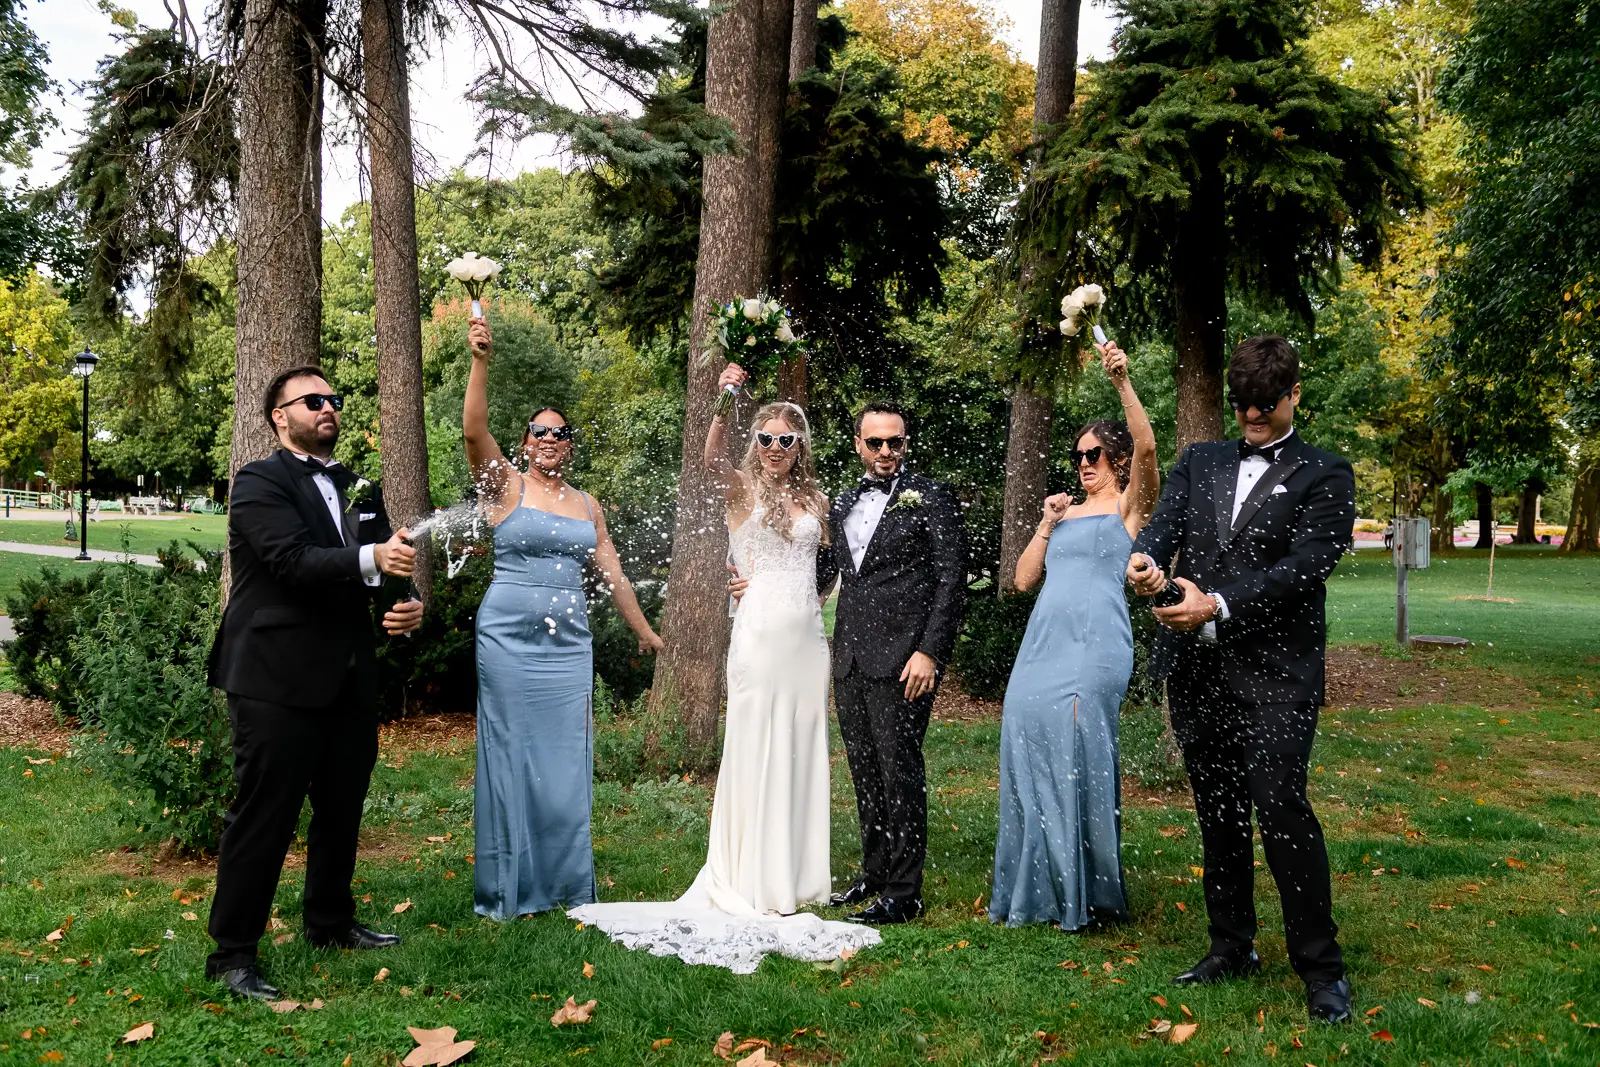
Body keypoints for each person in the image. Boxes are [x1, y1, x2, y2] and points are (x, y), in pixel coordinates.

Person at [570, 367, 880, 971]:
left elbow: (828, 568)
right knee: (757, 743)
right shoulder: (739, 489)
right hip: (759, 636)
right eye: (765, 438)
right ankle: (750, 873)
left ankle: (796, 876)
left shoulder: (817, 502)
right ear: (754, 443)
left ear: (801, 446)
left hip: (806, 641)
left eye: (786, 440)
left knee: (800, 744)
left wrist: (813, 599)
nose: (774, 448)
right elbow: (709, 455)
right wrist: (726, 396)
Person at [1126, 335, 1356, 1024]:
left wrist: (1218, 605)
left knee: (1281, 810)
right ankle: (1231, 944)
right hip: (1198, 671)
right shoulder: (1201, 460)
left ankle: (1321, 967)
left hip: (1278, 674)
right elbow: (1161, 529)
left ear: (1294, 395)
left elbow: (1303, 569)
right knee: (1218, 811)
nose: (1252, 416)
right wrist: (1144, 564)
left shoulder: (1326, 473)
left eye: (1264, 405)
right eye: (1241, 405)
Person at [205, 366, 423, 1000]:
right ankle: (233, 955)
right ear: (280, 416)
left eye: (333, 399)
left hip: (348, 674)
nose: (328, 407)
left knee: (341, 806)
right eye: (312, 401)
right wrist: (373, 558)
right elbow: (291, 562)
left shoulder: (359, 485)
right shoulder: (257, 482)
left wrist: (404, 604)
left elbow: (386, 562)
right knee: (263, 815)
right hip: (273, 675)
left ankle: (329, 922)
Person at [464, 317, 663, 921]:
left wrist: (644, 630)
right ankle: (509, 886)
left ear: (569, 444)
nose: (550, 438)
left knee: (564, 759)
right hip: (507, 638)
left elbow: (614, 572)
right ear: (525, 442)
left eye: (560, 432)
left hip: (569, 644)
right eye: (540, 431)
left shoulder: (587, 505)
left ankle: (566, 884)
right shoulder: (504, 485)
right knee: (511, 752)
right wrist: (480, 362)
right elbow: (473, 430)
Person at [988, 340, 1159, 930]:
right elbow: (1021, 580)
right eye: (1078, 455)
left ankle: (1086, 889)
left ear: (1116, 460)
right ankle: (1036, 885)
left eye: (1094, 455)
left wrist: (1122, 381)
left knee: (1079, 751)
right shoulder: (1063, 516)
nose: (1083, 463)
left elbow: (1148, 446)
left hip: (1096, 648)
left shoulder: (1129, 509)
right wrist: (1045, 522)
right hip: (1042, 649)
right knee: (1024, 736)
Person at [821, 400, 966, 925]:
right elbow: (826, 572)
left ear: (905, 443)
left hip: (906, 658)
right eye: (876, 442)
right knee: (865, 770)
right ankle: (876, 872)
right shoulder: (842, 501)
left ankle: (905, 893)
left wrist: (930, 652)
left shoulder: (932, 496)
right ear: (858, 445)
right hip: (850, 657)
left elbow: (952, 581)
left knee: (899, 769)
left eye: (895, 442)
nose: (886, 451)